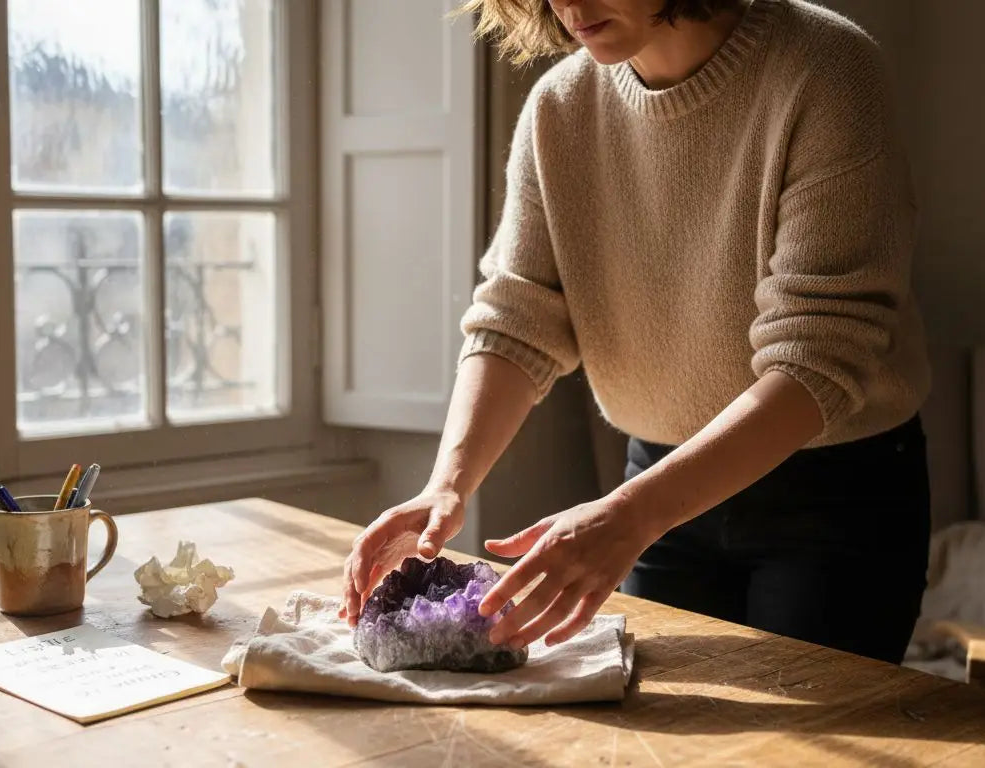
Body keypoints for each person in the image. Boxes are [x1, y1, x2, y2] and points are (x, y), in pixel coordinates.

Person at [339, 0, 932, 665]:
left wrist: (628, 516)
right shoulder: (559, 107)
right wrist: (445, 486)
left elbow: (819, 359)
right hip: (655, 491)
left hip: (829, 499)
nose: (569, 4)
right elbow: (515, 319)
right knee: (661, 723)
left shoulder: (827, 70)